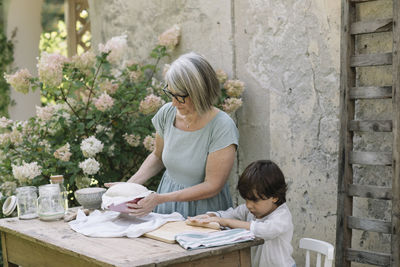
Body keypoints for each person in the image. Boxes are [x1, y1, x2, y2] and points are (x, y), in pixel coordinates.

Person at [118, 52, 239, 218]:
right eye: (171, 94)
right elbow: (157, 156)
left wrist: (160, 199)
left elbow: (213, 185)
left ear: (199, 92)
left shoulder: (222, 126)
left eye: (180, 96)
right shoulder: (167, 113)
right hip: (166, 205)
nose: (174, 103)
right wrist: (127, 187)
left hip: (203, 213)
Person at [188, 160, 296, 267]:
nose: (248, 205)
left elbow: (264, 231)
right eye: (246, 199)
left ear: (275, 197)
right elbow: (231, 214)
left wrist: (225, 222)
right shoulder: (250, 210)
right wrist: (211, 216)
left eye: (255, 200)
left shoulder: (281, 216)